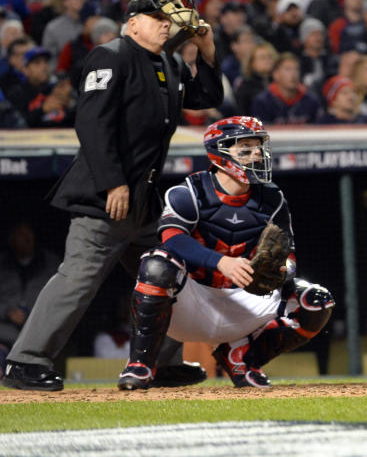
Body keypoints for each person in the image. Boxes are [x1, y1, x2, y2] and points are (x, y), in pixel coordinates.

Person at [3, 0, 224, 392]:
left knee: (172, 274)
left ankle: (163, 362)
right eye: (158, 20)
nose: (166, 27)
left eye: (169, 22)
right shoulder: (111, 56)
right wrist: (113, 183)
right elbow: (91, 124)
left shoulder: (168, 64)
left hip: (144, 202)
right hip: (104, 198)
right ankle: (25, 360)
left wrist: (206, 50)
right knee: (79, 278)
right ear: (134, 23)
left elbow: (207, 94)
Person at [117, 116, 334, 389]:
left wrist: (281, 271)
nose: (256, 154)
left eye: (258, 147)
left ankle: (243, 358)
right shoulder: (189, 192)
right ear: (220, 152)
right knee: (156, 263)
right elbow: (171, 239)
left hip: (243, 301)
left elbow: (288, 254)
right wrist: (221, 262)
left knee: (317, 300)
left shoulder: (273, 198)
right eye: (245, 147)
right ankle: (141, 363)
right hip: (191, 304)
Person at [0, 223, 60, 381]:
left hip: (37, 337)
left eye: (30, 234)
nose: (27, 239)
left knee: (37, 377)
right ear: (11, 239)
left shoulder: (50, 263)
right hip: (2, 335)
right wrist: (7, 312)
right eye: (21, 234)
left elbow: (59, 302)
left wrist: (37, 314)